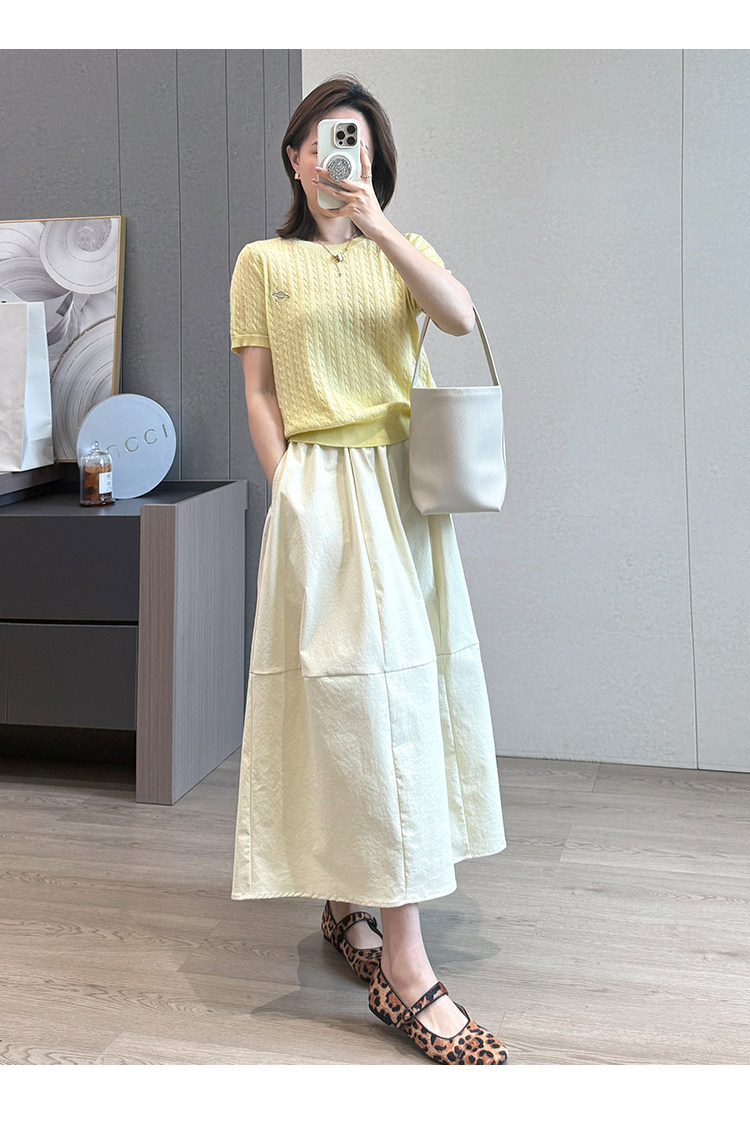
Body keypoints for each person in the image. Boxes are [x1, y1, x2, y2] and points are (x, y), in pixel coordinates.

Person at [229, 75, 508, 1065]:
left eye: (353, 140)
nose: (335, 154)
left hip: (403, 496)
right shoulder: (263, 262)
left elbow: (460, 318)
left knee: (399, 704)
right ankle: (403, 959)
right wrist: (291, 491)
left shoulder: (403, 248)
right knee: (349, 705)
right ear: (294, 157)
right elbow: (260, 393)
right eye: (320, 139)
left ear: (372, 158)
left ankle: (366, 915)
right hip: (322, 493)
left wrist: (378, 226)